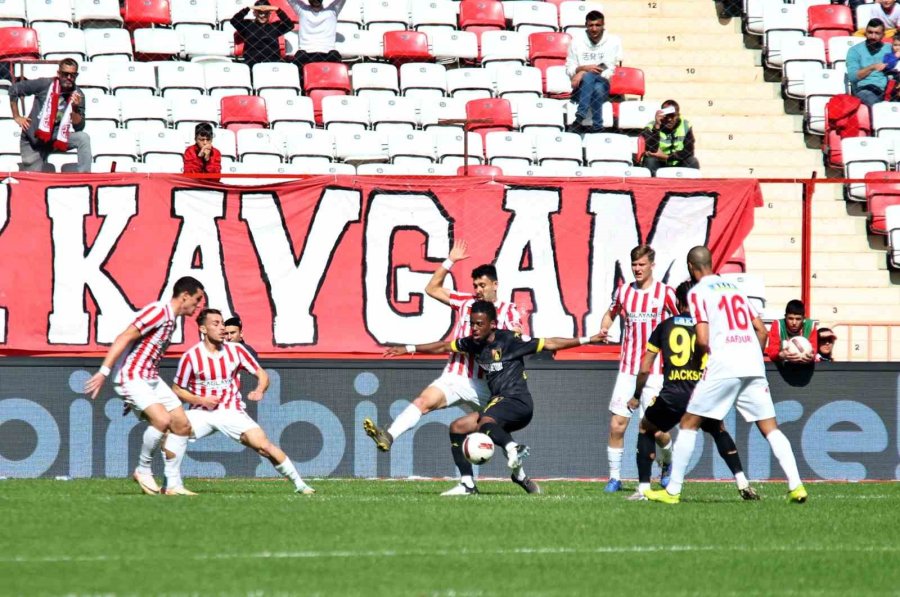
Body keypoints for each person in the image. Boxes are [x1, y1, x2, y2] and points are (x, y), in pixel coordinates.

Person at [386, 301, 607, 495]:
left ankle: (513, 448)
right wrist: (408, 348)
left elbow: (550, 343)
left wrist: (589, 338)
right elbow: (443, 346)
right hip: (498, 402)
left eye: (479, 324)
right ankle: (470, 484)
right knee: (458, 427)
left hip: (518, 402)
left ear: (492, 324)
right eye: (472, 323)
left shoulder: (511, 340)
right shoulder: (472, 343)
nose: (474, 328)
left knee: (485, 423)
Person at [644, 246, 807, 504]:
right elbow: (761, 331)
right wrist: (753, 355)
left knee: (688, 423)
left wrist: (698, 364)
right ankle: (796, 485)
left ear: (690, 266)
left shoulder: (698, 293)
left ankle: (672, 491)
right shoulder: (735, 289)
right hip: (753, 364)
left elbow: (703, 339)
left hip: (724, 365)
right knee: (770, 429)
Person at [362, 240, 522, 496]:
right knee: (424, 401)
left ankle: (521, 475)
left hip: (485, 384)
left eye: (483, 285)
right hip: (455, 375)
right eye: (475, 286)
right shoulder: (464, 301)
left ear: (495, 285)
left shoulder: (508, 310)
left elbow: (516, 334)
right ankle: (389, 436)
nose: (478, 290)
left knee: (495, 428)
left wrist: (512, 335)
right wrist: (449, 262)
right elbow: (432, 288)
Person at [630, 280, 758, 501]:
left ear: (679, 302)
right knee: (718, 430)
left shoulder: (665, 325)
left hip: (673, 394)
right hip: (702, 392)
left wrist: (636, 394)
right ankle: (743, 483)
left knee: (645, 428)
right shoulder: (709, 327)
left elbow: (644, 368)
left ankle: (643, 490)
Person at [83, 277, 206, 496]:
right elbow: (124, 336)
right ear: (185, 296)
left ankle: (174, 486)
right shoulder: (158, 311)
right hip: (132, 376)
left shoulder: (172, 320)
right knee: (162, 420)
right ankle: (143, 469)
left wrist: (140, 399)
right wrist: (104, 372)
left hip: (149, 379)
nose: (198, 306)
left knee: (181, 424)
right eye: (197, 300)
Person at [172, 308, 315, 494]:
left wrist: (259, 390)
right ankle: (169, 483)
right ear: (203, 329)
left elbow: (262, 374)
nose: (222, 328)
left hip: (231, 411)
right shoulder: (191, 356)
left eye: (222, 323)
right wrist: (201, 400)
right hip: (201, 412)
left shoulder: (236, 350)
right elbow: (177, 389)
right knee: (169, 434)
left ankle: (300, 485)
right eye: (216, 324)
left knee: (264, 447)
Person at [596, 244, 678, 493]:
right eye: (634, 265)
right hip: (627, 369)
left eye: (641, 264)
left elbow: (682, 320)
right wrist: (604, 328)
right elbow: (610, 313)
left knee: (657, 430)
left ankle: (667, 465)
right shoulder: (623, 292)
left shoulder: (665, 293)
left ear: (652, 265)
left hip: (654, 372)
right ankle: (615, 477)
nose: (637, 269)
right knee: (617, 424)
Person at [8, 58, 91, 173]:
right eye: (65, 74)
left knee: (83, 138)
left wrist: (75, 108)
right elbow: (14, 89)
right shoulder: (45, 84)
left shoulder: (78, 94)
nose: (69, 78)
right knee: (35, 181)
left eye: (73, 75)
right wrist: (17, 116)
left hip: (56, 137)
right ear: (58, 74)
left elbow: (79, 127)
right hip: (34, 139)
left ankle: (85, 179)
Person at [564, 10, 621, 134]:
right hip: (580, 88)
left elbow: (608, 66)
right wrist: (582, 69)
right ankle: (597, 126)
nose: (594, 29)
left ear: (603, 25)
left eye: (598, 25)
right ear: (586, 25)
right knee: (597, 88)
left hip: (603, 81)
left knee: (593, 79)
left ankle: (580, 116)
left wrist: (584, 71)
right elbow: (569, 68)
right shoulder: (576, 42)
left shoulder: (613, 42)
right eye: (591, 25)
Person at [639, 100, 700, 175]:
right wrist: (657, 126)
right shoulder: (651, 126)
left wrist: (667, 157)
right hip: (659, 162)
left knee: (692, 161)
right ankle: (653, 185)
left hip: (678, 161)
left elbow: (689, 151)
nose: (669, 119)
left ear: (678, 115)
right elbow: (651, 150)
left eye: (672, 116)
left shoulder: (685, 125)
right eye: (666, 116)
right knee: (650, 161)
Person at [231, 1, 295, 68]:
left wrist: (277, 9)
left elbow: (290, 25)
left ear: (270, 13)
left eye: (266, 13)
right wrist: (248, 8)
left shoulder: (275, 27)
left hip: (272, 62)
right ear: (254, 13)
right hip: (251, 63)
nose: (262, 15)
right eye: (259, 12)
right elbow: (234, 21)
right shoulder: (247, 25)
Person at [287, 0, 347, 71]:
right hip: (306, 54)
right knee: (299, 57)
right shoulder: (302, 10)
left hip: (327, 54)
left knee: (335, 55)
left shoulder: (332, 10)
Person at [846, 19, 891, 107]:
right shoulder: (855, 51)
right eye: (870, 32)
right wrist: (872, 67)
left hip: (889, 90)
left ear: (883, 35)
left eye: (877, 33)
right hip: (866, 89)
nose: (873, 36)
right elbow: (852, 77)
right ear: (865, 33)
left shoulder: (889, 49)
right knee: (867, 96)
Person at [765, 299, 817, 364]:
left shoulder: (810, 326)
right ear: (785, 317)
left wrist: (811, 356)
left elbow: (814, 349)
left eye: (798, 319)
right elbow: (772, 352)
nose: (794, 322)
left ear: (804, 318)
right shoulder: (777, 325)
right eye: (790, 318)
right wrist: (780, 355)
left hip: (805, 367)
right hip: (783, 368)